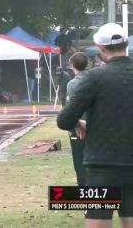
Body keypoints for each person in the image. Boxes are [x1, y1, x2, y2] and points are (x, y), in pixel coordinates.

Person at [57, 23, 133, 228]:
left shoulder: (94, 78)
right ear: (126, 43)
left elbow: (64, 120)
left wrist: (79, 122)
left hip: (102, 166)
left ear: (101, 48)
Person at [65, 52, 88, 186]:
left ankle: (85, 194)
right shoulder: (95, 80)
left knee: (80, 165)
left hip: (79, 127)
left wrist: (71, 125)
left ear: (72, 65)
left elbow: (71, 108)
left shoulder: (72, 84)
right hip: (95, 125)